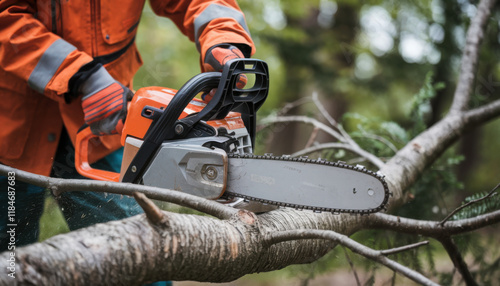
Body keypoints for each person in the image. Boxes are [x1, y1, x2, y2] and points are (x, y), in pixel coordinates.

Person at [0, 0, 254, 264]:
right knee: (8, 256)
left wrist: (226, 42)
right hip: (12, 129)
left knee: (140, 250)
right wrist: (83, 77)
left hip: (104, 131)